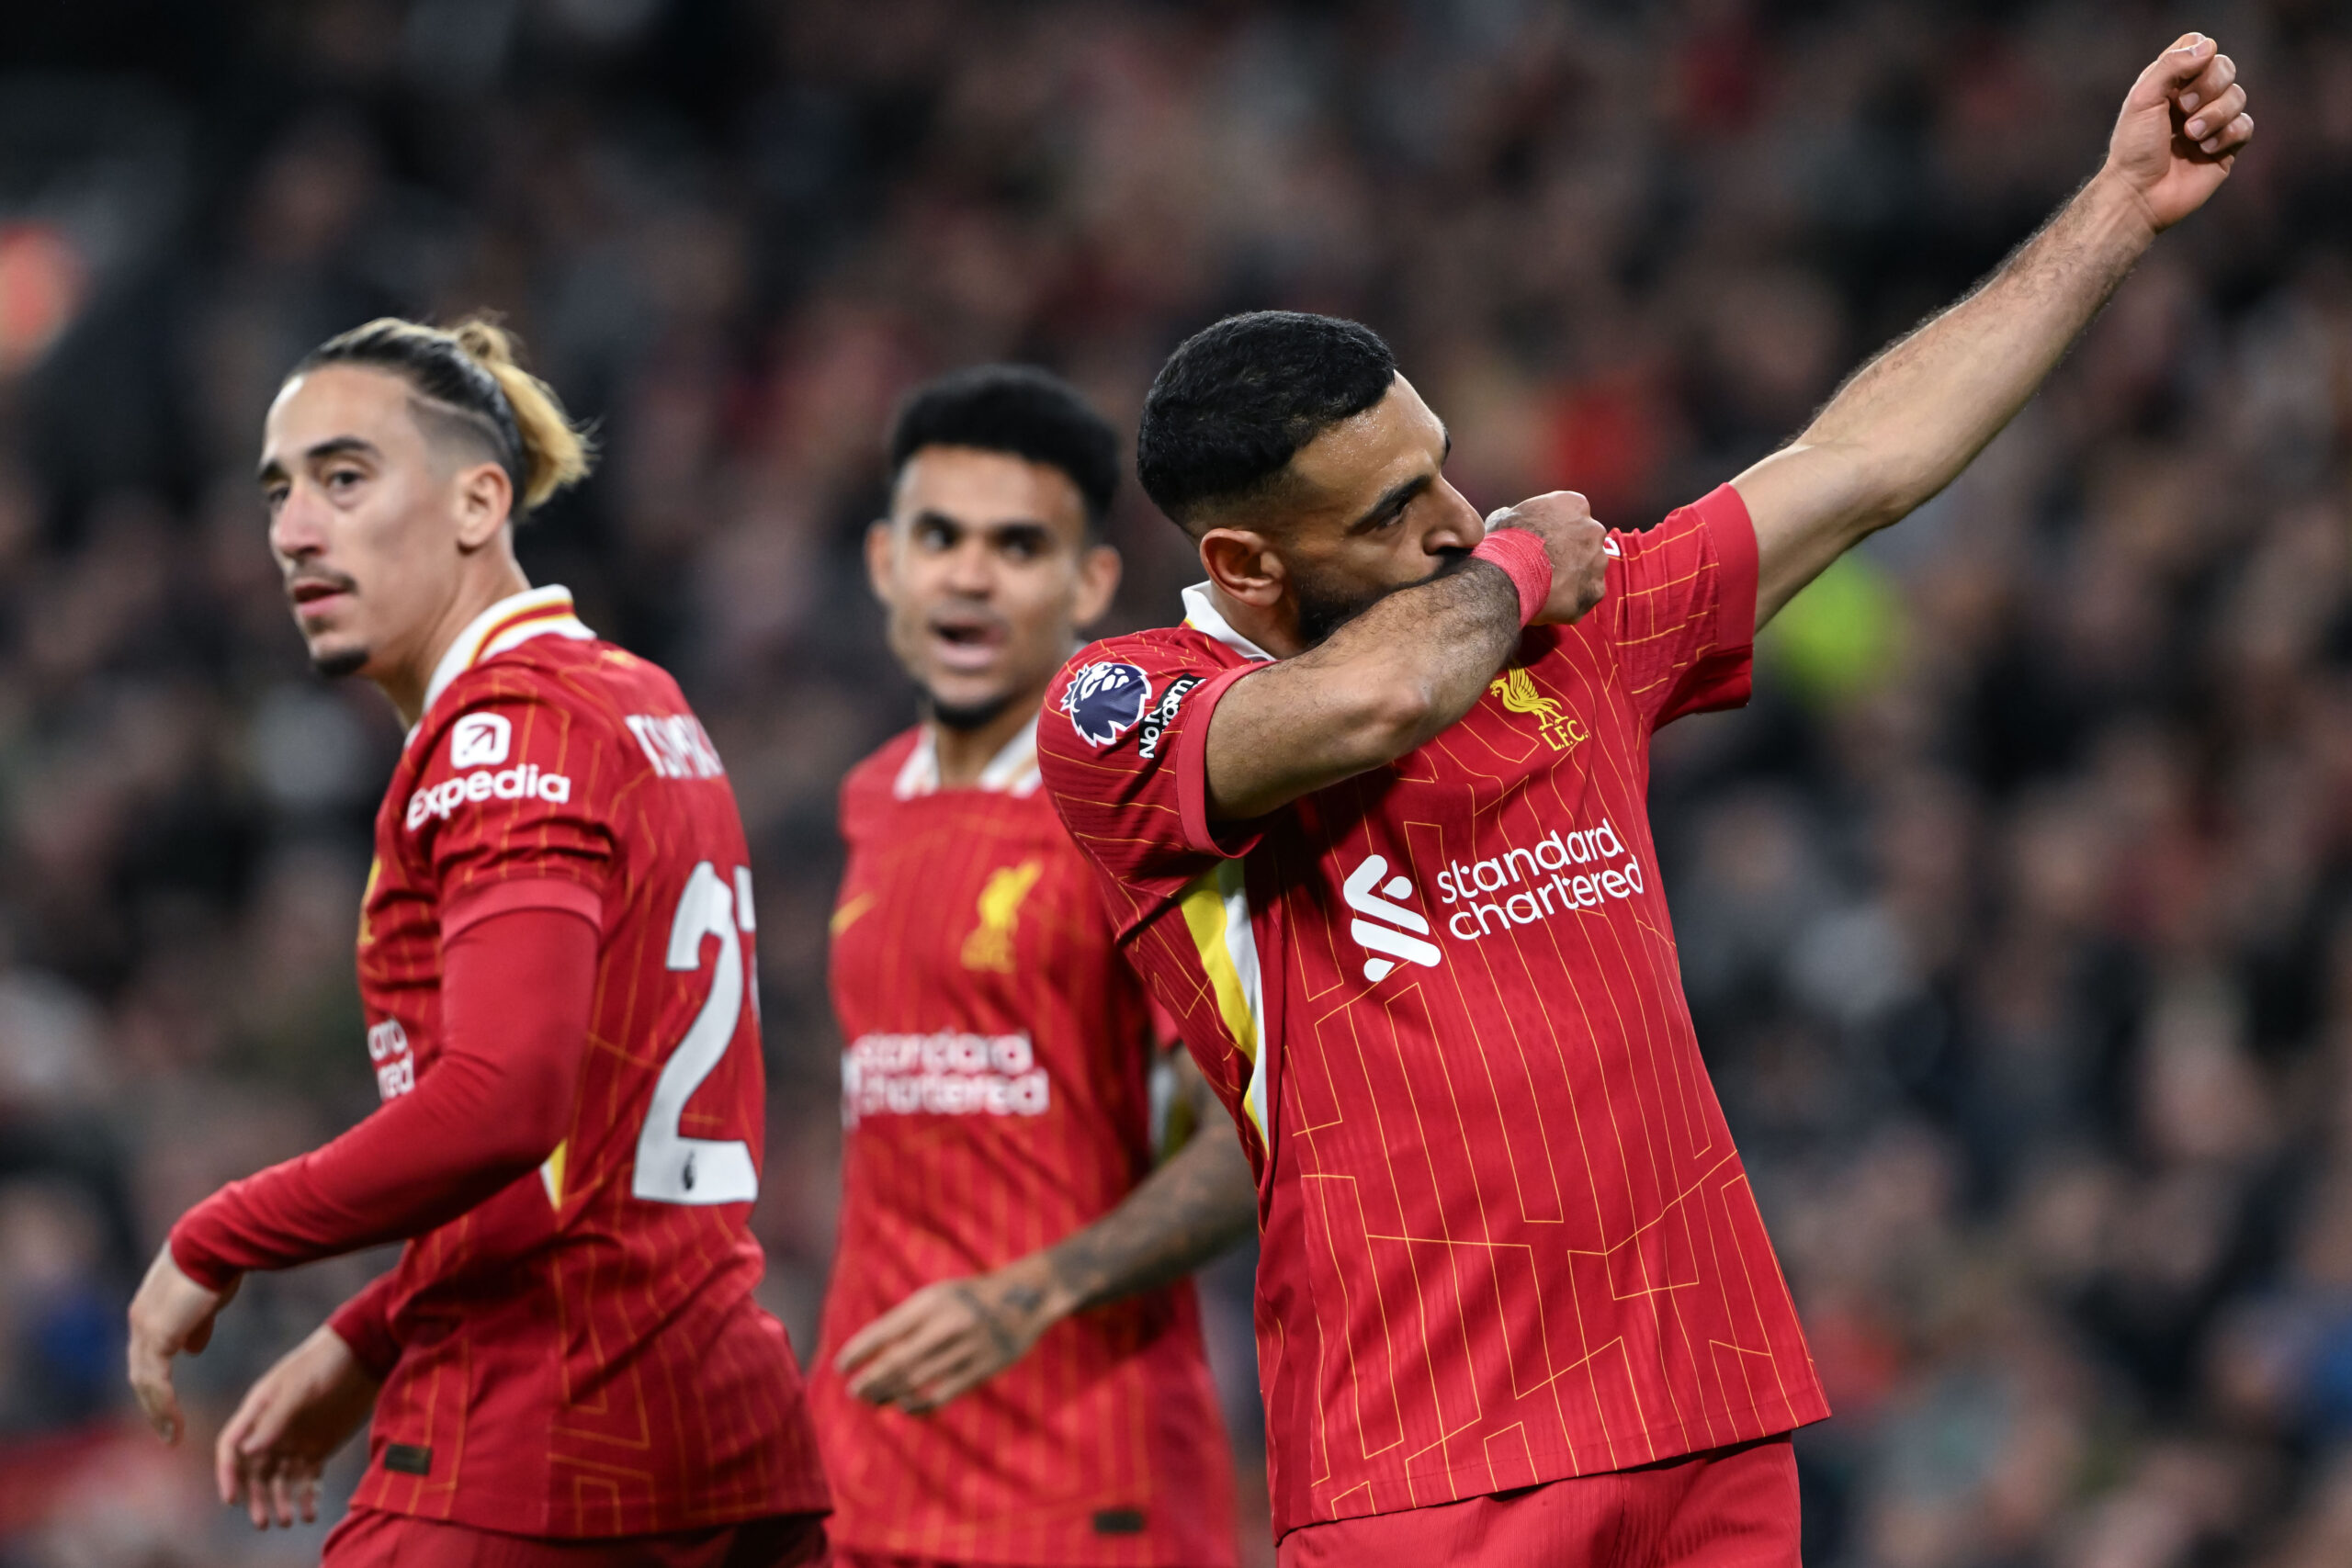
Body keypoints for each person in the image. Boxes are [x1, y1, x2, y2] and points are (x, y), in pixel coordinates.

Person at [1034, 35, 2252, 1567]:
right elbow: (1377, 699)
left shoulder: (1573, 644)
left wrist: (2118, 209)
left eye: (1448, 473)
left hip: (1706, 1394)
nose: (1456, 522)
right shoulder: (1126, 710)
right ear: (1246, 568)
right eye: (1394, 512)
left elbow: (1861, 462)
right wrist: (1528, 562)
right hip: (1430, 1455)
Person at [123, 318, 831, 1565]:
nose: (294, 529)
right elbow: (582, 1156)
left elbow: (508, 1100)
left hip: (543, 1439)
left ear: (477, 500)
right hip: (723, 1435)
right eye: (280, 491)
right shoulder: (636, 699)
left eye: (344, 479)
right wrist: (372, 1332)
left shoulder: (503, 731)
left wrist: (218, 1234)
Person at [815, 365, 1256, 1568]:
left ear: (1089, 583)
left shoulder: (1136, 817)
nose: (969, 574)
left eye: (1018, 545)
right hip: (867, 1480)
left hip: (1084, 1493)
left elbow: (1249, 1140)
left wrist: (1031, 1294)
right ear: (883, 562)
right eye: (939, 537)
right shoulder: (868, 801)